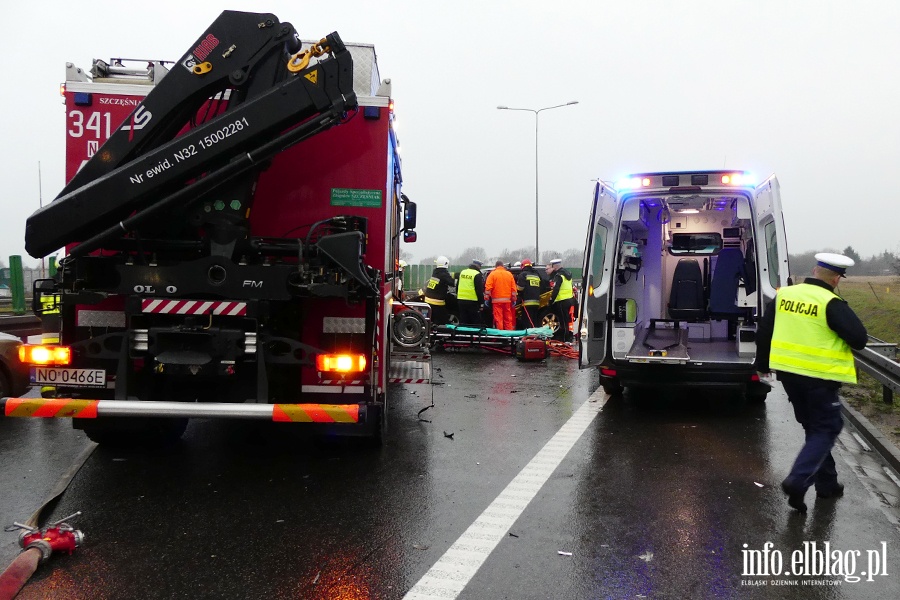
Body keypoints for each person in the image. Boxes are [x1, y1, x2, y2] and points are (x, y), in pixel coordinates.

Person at [756, 253, 868, 513]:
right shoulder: (830, 301)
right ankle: (798, 480)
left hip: (790, 377)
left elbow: (765, 331)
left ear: (814, 271)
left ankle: (827, 484)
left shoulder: (785, 295)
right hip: (820, 378)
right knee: (827, 427)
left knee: (814, 428)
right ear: (837, 278)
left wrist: (762, 365)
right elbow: (859, 339)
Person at [547, 258, 576, 341]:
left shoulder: (559, 276)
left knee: (563, 321)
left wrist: (551, 300)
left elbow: (556, 289)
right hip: (570, 300)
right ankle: (569, 337)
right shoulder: (567, 274)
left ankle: (565, 339)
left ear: (555, 266)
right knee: (567, 320)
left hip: (561, 301)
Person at [484, 260, 517, 330]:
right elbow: (513, 288)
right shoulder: (509, 274)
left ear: (496, 266)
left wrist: (486, 298)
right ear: (503, 266)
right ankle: (509, 335)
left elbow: (488, 287)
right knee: (508, 319)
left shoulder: (492, 274)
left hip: (496, 301)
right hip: (507, 301)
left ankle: (501, 335)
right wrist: (514, 299)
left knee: (499, 319)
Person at [424, 255, 455, 326]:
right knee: (443, 320)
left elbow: (445, 278)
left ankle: (434, 328)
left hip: (428, 300)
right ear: (446, 264)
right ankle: (442, 334)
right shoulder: (443, 274)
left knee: (434, 319)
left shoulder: (436, 272)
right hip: (437, 302)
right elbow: (452, 283)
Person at [457, 259, 485, 326]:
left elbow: (457, 286)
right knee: (474, 322)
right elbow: (479, 290)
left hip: (461, 300)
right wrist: (481, 303)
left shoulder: (463, 272)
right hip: (472, 301)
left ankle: (462, 335)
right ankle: (473, 336)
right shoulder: (477, 274)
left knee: (463, 321)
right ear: (478, 266)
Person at [516, 259, 542, 329]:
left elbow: (520, 288)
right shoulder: (536, 275)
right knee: (534, 320)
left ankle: (529, 336)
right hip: (536, 302)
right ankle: (535, 335)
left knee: (527, 321)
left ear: (523, 266)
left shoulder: (523, 274)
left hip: (527, 303)